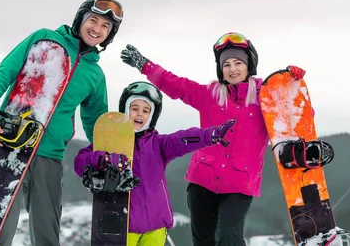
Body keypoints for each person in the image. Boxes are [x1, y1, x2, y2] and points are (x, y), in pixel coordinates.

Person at [120, 32, 308, 246]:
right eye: (226, 64)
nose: (232, 69)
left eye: (238, 63)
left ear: (249, 65)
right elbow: (175, 85)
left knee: (229, 238)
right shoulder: (211, 95)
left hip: (239, 185)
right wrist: (145, 65)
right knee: (204, 242)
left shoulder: (265, 97)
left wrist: (291, 84)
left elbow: (294, 115)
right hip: (202, 182)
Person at [0, 0, 124, 245]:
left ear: (109, 35)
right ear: (81, 19)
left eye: (105, 27)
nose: (97, 29)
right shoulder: (44, 39)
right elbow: (5, 71)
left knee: (47, 234)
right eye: (93, 20)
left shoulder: (95, 75)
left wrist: (108, 157)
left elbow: (95, 122)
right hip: (11, 144)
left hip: (50, 156)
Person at [74, 81, 237, 246]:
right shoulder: (110, 143)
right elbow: (79, 162)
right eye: (134, 108)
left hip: (156, 225)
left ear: (152, 116)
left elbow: (183, 139)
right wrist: (104, 159)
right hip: (123, 226)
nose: (139, 114)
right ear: (125, 110)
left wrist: (210, 135)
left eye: (146, 111)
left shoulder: (159, 145)